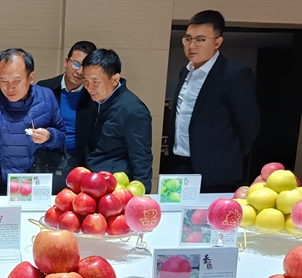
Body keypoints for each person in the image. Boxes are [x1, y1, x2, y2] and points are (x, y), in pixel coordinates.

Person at [163, 10, 260, 192]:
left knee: (212, 212)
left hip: (216, 171)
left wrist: (227, 155)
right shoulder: (185, 72)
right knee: (175, 209)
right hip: (179, 165)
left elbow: (249, 124)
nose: (192, 45)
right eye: (188, 39)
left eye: (200, 39)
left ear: (217, 42)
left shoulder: (234, 74)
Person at [0, 48, 66, 195]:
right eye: (4, 81)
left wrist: (49, 136)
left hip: (40, 182)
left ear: (31, 77)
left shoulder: (47, 97)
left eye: (16, 81)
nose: (10, 87)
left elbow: (61, 137)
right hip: (5, 185)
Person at [81, 49, 153, 193]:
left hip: (115, 187)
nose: (89, 87)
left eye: (95, 81)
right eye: (86, 81)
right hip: (91, 181)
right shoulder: (93, 100)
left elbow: (141, 159)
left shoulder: (134, 111)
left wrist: (141, 196)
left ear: (115, 79)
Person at [37, 40, 97, 165]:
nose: (79, 71)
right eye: (76, 64)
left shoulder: (94, 95)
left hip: (80, 163)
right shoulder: (44, 88)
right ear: (66, 62)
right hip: (46, 160)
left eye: (85, 67)